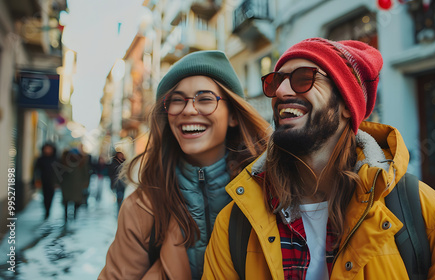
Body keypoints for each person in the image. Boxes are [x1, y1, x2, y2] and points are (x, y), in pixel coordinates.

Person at [203, 38, 435, 279]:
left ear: (346, 104)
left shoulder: (419, 209)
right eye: (276, 81)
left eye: (303, 78)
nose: (282, 92)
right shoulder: (237, 222)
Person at [99, 50, 270, 279]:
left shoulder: (272, 193)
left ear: (233, 116)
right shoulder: (141, 208)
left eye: (206, 99)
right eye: (177, 100)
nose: (188, 110)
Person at [59, 148, 91, 221]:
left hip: (78, 185)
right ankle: (66, 217)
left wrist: (85, 182)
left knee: (76, 201)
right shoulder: (64, 161)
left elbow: (85, 173)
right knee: (66, 201)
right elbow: (60, 173)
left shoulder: (82, 162)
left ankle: (74, 216)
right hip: (67, 185)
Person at [33, 143, 58, 219]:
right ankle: (46, 211)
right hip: (43, 180)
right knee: (45, 196)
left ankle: (48, 209)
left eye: (49, 148)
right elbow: (36, 170)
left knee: (51, 196)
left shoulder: (56, 159)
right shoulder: (40, 159)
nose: (48, 150)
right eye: (46, 148)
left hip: (53, 181)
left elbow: (59, 171)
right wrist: (36, 180)